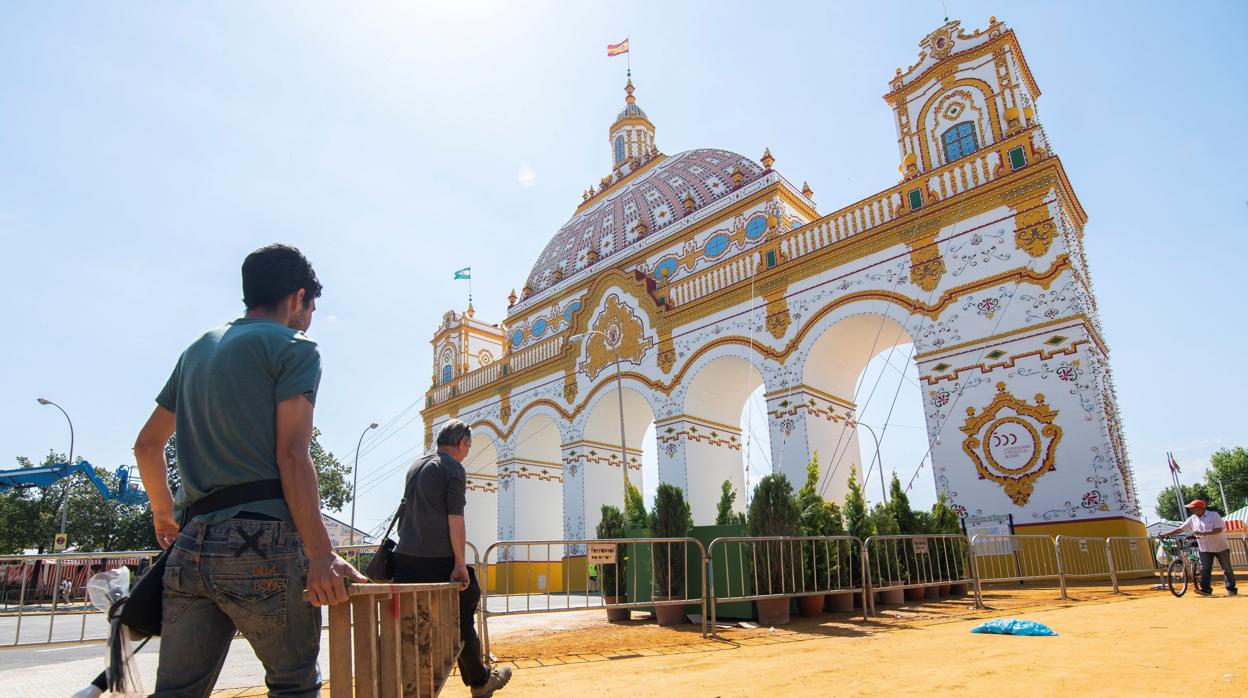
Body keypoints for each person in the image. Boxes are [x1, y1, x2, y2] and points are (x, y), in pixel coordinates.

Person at [134, 243, 366, 697]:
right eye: (312, 306)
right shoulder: (294, 347)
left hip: (190, 545)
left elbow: (147, 445)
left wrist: (164, 514)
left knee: (176, 691)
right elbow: (293, 454)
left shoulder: (198, 350)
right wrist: (321, 555)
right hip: (262, 543)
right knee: (293, 684)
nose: (311, 316)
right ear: (299, 297)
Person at [392, 420, 511, 697]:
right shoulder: (452, 468)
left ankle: (408, 680)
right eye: (468, 446)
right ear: (460, 444)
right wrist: (460, 564)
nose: (467, 452)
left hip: (404, 558)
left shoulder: (416, 465)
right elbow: (455, 519)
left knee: (411, 620)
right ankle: (479, 680)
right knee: (465, 606)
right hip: (436, 559)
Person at [1158, 499, 1238, 597]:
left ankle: (1231, 589)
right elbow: (1180, 529)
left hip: (1220, 547)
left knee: (1226, 569)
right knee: (1205, 569)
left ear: (1201, 508)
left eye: (1193, 508)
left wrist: (1203, 533)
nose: (1192, 510)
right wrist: (1165, 535)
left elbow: (1219, 529)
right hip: (1204, 548)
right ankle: (1206, 590)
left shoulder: (1214, 515)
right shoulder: (1192, 518)